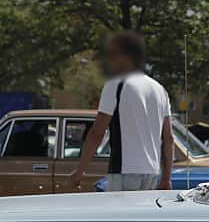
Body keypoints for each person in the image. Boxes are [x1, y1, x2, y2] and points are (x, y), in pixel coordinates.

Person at [68, 31, 172, 192]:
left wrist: (80, 170)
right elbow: (168, 139)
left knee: (120, 210)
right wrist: (166, 178)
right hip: (152, 172)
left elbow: (97, 132)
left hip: (124, 169)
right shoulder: (159, 89)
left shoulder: (116, 84)